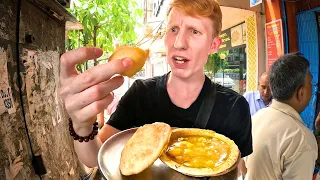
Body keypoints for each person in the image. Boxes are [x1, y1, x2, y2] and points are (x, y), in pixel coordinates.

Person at [59, 0, 253, 173]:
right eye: (174, 29)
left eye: (194, 31)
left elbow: (238, 170)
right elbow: (96, 157)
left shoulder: (235, 107)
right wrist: (82, 127)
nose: (179, 43)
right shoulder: (140, 94)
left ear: (214, 45)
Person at [244, 53, 318, 180]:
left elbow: (243, 167)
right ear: (301, 93)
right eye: (311, 82)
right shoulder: (301, 138)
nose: (313, 86)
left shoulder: (256, 118)